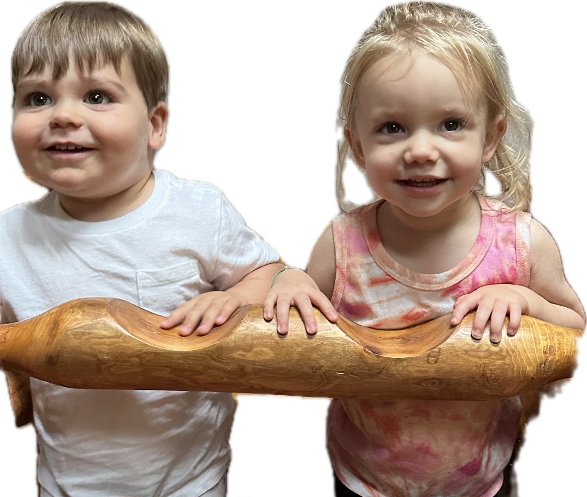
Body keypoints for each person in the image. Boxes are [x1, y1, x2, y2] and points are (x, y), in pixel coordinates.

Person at [1, 1, 335, 495]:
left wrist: (234, 298)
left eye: (96, 96)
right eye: (37, 98)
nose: (64, 115)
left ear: (155, 124)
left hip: (189, 482)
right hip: (64, 484)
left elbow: (272, 273)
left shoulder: (197, 210)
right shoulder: (8, 236)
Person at [272, 1, 585, 496]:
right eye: (392, 127)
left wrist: (525, 301)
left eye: (451, 124)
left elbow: (573, 331)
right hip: (360, 479)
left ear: (490, 136)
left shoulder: (520, 243)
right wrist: (286, 279)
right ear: (358, 145)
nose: (420, 150)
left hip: (482, 481)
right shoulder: (341, 245)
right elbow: (302, 332)